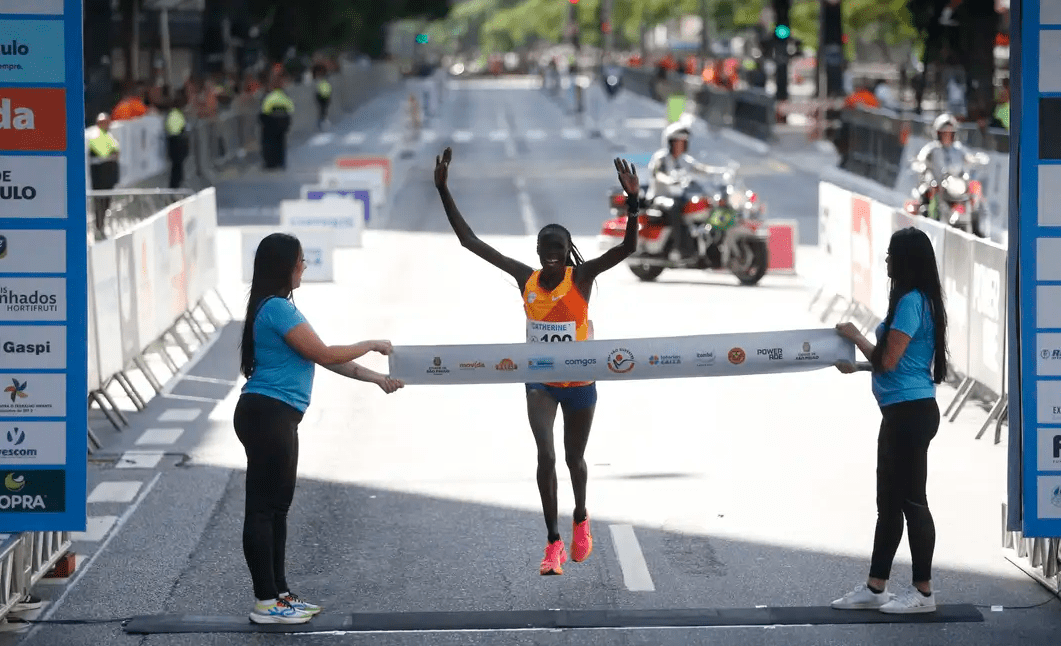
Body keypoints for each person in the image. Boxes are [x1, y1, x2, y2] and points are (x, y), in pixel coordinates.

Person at [434, 146, 641, 575]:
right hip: (540, 382)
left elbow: (628, 247)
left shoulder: (580, 277)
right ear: (537, 250)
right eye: (545, 248)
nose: (551, 254)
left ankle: (581, 516)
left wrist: (633, 202)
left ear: (567, 253)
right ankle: (552, 543)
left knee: (573, 460)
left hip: (580, 381)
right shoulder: (523, 278)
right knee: (545, 456)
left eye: (558, 249)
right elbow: (470, 242)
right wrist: (442, 189)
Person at [235, 233, 404, 623]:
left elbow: (325, 359)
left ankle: (279, 595)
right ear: (285, 266)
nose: (304, 266)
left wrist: (377, 378)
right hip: (268, 415)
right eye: (300, 260)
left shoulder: (276, 308)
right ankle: (266, 602)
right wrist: (370, 343)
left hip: (275, 416)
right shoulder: (277, 308)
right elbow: (326, 353)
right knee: (263, 510)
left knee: (277, 509)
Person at [831, 226, 949, 615]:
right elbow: (895, 364)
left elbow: (889, 360)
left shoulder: (912, 302)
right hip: (902, 411)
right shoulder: (916, 300)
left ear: (904, 261)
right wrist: (859, 366)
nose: (885, 260)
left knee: (913, 503)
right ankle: (876, 586)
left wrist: (856, 336)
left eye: (890, 254)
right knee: (889, 504)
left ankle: (923, 593)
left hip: (910, 414)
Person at [646, 121, 729, 261]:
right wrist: (669, 179)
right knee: (674, 207)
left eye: (684, 142)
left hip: (679, 197)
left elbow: (699, 168)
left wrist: (719, 172)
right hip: (659, 198)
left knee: (701, 205)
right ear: (670, 143)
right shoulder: (661, 158)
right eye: (678, 142)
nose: (681, 145)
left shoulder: (684, 160)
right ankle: (679, 248)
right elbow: (658, 174)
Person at [911, 113, 988, 218]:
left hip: (954, 183)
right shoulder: (932, 149)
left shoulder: (958, 149)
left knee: (974, 188)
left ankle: (974, 216)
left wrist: (977, 159)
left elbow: (969, 157)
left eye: (949, 133)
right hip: (936, 183)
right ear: (938, 133)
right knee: (929, 190)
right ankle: (930, 213)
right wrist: (922, 166)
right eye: (944, 133)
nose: (947, 136)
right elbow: (920, 160)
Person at [87, 113, 120, 240]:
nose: (108, 124)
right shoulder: (95, 135)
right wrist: (112, 154)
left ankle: (101, 227)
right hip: (100, 177)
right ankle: (98, 228)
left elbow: (116, 151)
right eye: (105, 122)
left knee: (106, 203)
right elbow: (106, 152)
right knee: (99, 203)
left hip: (108, 176)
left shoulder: (108, 135)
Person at [260, 74, 295, 170]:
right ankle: (281, 162)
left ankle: (271, 163)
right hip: (283, 124)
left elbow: (265, 110)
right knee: (281, 142)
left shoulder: (270, 97)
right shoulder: (285, 97)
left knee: (271, 143)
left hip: (271, 124)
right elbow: (291, 109)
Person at [164, 90, 189, 189]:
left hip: (178, 143)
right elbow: (175, 130)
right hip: (176, 143)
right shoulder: (174, 114)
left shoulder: (177, 113)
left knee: (178, 168)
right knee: (176, 169)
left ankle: (177, 187)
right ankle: (174, 189)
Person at [313, 64, 332, 130]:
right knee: (322, 110)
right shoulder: (317, 81)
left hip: (325, 96)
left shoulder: (325, 80)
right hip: (320, 96)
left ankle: (322, 123)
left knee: (324, 110)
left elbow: (328, 88)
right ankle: (320, 124)